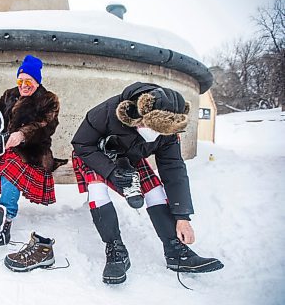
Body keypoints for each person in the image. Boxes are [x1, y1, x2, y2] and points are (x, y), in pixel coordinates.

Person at [71, 82, 224, 284]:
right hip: (95, 154)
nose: (151, 133)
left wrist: (182, 216)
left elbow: (173, 169)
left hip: (130, 157)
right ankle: (116, 250)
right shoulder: (106, 112)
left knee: (155, 191)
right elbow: (82, 144)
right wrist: (111, 171)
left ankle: (174, 251)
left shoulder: (168, 131)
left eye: (159, 131)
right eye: (148, 126)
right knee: (97, 189)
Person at [0, 55, 63, 265]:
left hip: (33, 150)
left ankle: (5, 220)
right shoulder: (10, 94)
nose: (24, 86)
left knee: (11, 163)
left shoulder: (49, 100)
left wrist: (23, 135)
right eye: (21, 81)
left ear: (37, 81)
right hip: (4, 145)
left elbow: (45, 126)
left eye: (29, 82)